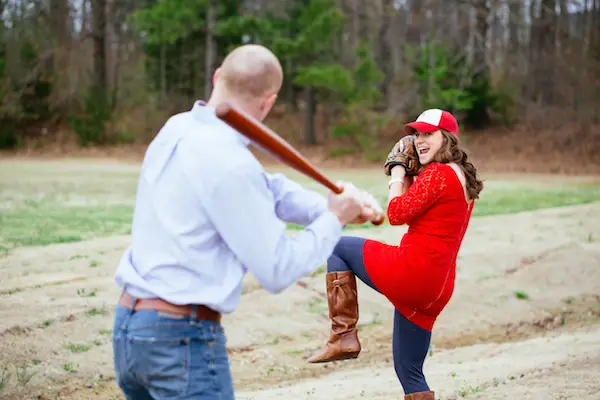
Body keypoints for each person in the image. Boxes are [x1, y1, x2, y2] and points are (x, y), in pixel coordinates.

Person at [110, 44, 382, 400]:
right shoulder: (231, 162)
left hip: (129, 331)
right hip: (180, 338)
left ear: (218, 77)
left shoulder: (176, 128)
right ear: (268, 102)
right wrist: (333, 219)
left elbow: (269, 189)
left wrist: (341, 207)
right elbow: (277, 268)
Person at [307, 109, 484, 400]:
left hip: (413, 271)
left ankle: (343, 336)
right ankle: (347, 340)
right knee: (409, 371)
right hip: (437, 286)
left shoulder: (438, 174)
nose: (419, 140)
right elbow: (421, 212)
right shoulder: (459, 175)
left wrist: (398, 175)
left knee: (337, 246)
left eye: (429, 133)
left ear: (448, 138)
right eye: (417, 134)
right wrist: (414, 176)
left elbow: (396, 213)